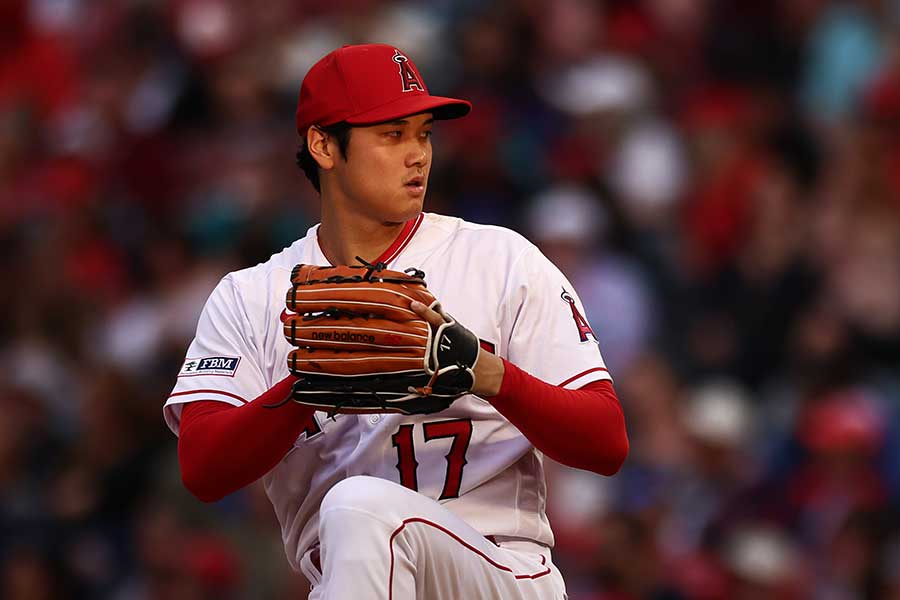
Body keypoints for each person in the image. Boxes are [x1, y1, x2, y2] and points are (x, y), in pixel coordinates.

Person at [164, 43, 629, 599]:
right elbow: (202, 467)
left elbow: (606, 442)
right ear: (323, 145)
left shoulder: (500, 260)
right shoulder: (251, 296)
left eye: (424, 132)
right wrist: (309, 385)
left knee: (358, 505)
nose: (419, 155)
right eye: (392, 134)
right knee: (356, 516)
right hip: (354, 581)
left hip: (499, 575)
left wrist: (487, 374)